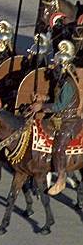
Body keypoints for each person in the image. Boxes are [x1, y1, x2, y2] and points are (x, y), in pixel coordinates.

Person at [32, 41, 82, 196]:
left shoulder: (68, 83)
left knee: (59, 147)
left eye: (57, 64)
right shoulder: (62, 81)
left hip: (69, 120)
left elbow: (59, 106)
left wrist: (42, 107)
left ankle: (61, 178)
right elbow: (57, 98)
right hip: (59, 118)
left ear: (64, 65)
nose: (53, 67)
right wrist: (42, 98)